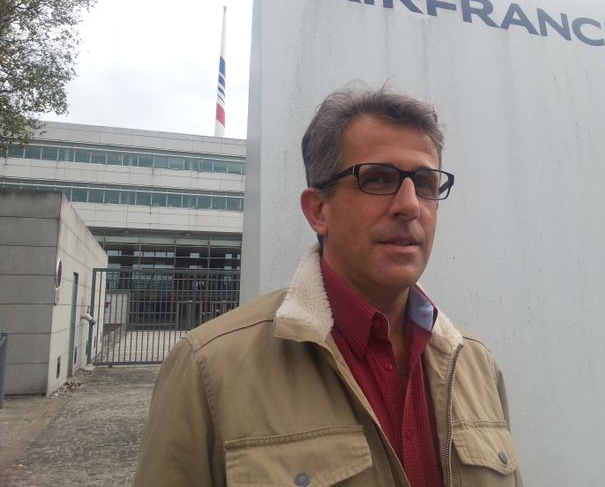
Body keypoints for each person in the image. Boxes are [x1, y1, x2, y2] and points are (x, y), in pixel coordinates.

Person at [134, 87, 522, 486]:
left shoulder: (476, 365)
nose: (410, 205)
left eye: (424, 183)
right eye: (378, 178)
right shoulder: (208, 369)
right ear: (318, 210)